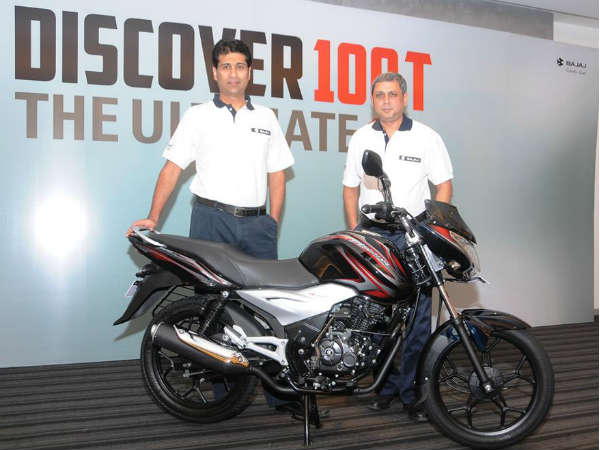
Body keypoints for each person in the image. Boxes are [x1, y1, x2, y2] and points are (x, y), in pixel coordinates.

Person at [128, 39, 304, 418]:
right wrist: (153, 217)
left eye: (240, 66)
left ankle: (281, 396)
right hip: (211, 221)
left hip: (257, 225)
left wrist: (272, 220)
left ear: (249, 72)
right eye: (226, 66)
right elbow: (172, 169)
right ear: (215, 72)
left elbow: (277, 174)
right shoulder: (197, 116)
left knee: (268, 310)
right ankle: (224, 392)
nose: (233, 73)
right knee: (213, 309)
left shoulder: (267, 117)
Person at [342, 72, 453, 422]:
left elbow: (444, 185)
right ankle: (384, 389)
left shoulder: (427, 137)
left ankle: (413, 394)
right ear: (372, 100)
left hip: (412, 234)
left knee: (418, 319)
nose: (386, 100)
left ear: (405, 98)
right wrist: (355, 231)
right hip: (372, 236)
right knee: (375, 317)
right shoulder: (361, 137)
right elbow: (349, 187)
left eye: (392, 94)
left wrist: (434, 228)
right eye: (379, 95)